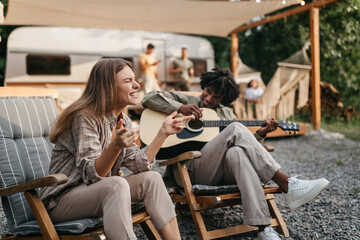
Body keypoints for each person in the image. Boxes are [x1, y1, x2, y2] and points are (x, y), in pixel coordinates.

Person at [142, 66, 329, 240]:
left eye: (215, 97)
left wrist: (261, 133)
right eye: (208, 91)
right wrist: (179, 108)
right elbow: (148, 97)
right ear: (204, 86)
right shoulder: (185, 100)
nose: (208, 99)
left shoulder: (226, 115)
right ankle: (287, 183)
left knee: (237, 152)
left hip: (224, 171)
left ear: (223, 100)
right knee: (235, 128)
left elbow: (245, 144)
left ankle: (264, 228)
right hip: (193, 170)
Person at [40, 58, 193, 240]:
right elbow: (94, 175)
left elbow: (140, 165)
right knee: (116, 184)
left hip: (97, 194)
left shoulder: (122, 120)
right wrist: (116, 145)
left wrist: (163, 133)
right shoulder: (84, 117)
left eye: (134, 79)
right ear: (108, 87)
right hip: (61, 202)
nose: (136, 85)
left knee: (152, 178)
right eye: (128, 81)